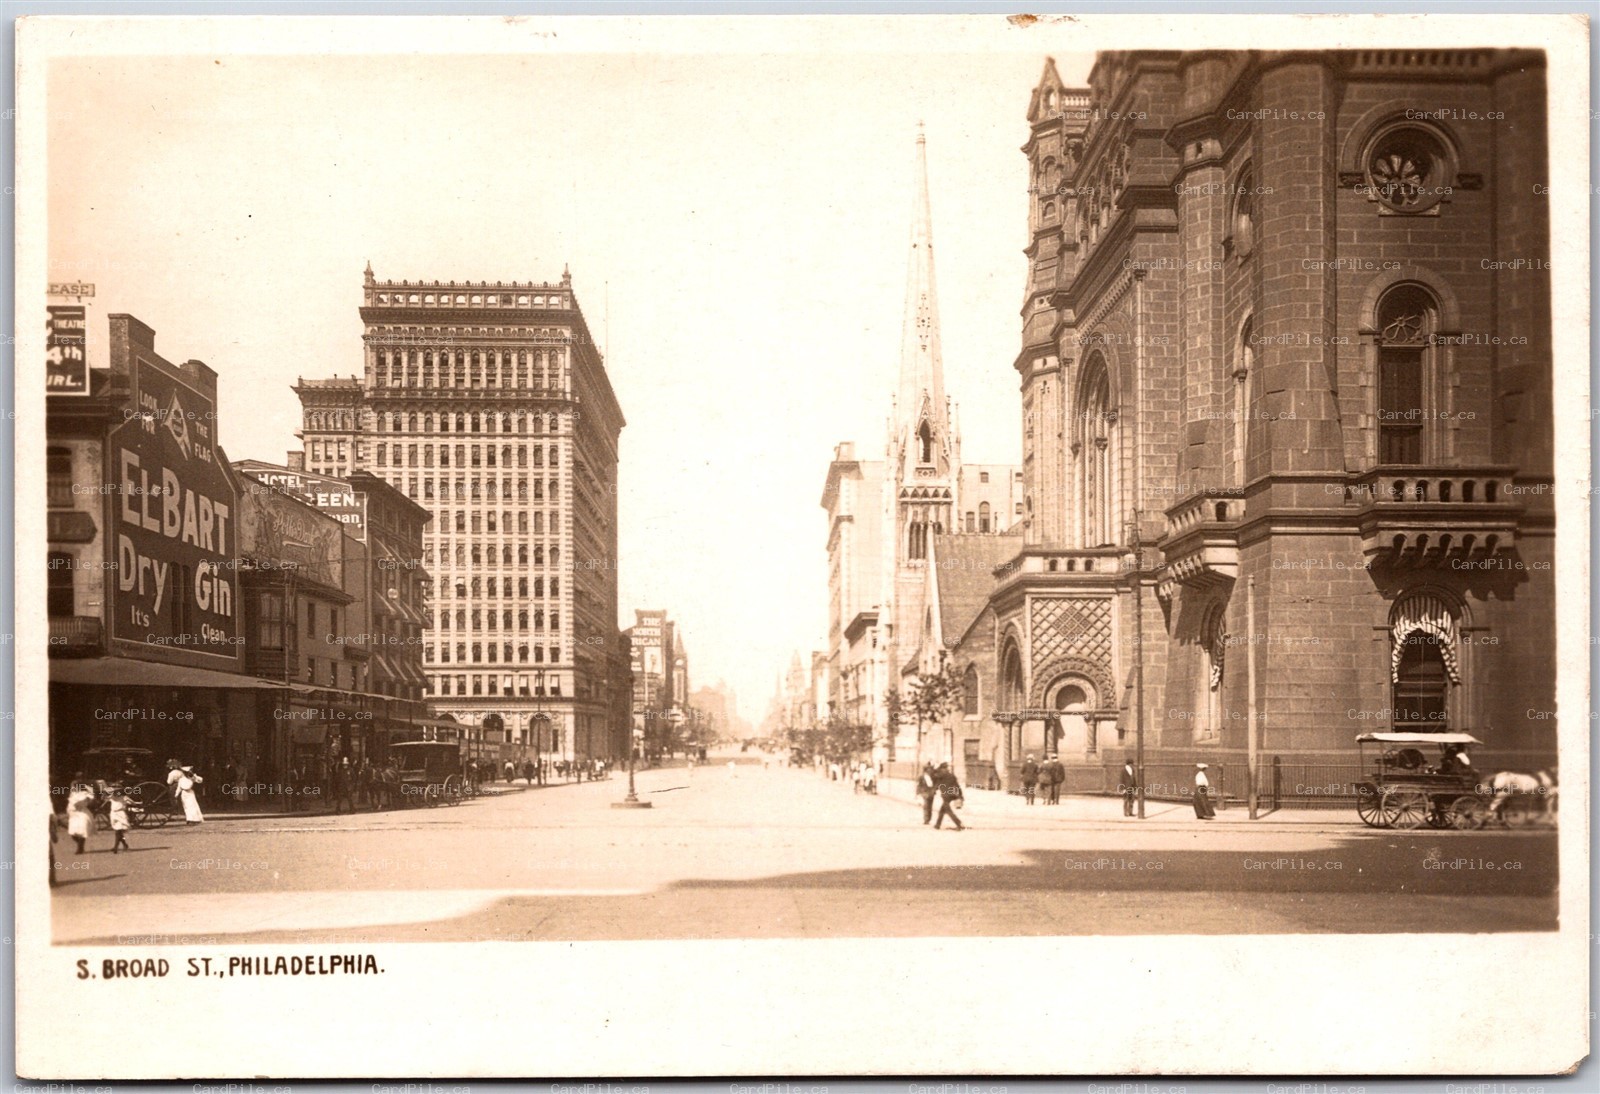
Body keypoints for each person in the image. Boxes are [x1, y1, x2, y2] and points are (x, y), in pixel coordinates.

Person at [167, 759, 205, 825]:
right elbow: (179, 787)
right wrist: (176, 794)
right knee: (187, 806)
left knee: (191, 806)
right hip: (186, 794)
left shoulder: (191, 778)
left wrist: (194, 776)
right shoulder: (182, 779)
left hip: (188, 793)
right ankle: (190, 819)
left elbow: (200, 780)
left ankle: (193, 819)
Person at [932, 762, 966, 831]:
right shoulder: (951, 775)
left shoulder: (940, 775)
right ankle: (937, 825)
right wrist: (960, 795)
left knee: (948, 810)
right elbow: (957, 786)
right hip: (952, 794)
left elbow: (936, 784)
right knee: (942, 810)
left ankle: (959, 824)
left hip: (945, 795)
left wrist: (934, 791)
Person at [65, 775, 94, 855]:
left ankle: (80, 848)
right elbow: (70, 803)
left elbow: (90, 798)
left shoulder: (84, 794)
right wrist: (68, 811)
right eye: (73, 786)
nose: (73, 787)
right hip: (74, 814)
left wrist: (87, 797)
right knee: (73, 833)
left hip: (82, 813)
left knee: (82, 830)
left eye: (75, 786)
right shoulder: (72, 794)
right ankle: (80, 845)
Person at [108, 787, 132, 853]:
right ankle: (125, 844)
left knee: (118, 831)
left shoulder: (124, 797)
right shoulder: (112, 797)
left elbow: (132, 803)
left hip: (121, 814)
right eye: (115, 792)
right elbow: (104, 798)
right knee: (118, 831)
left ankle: (116, 847)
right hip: (114, 815)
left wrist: (127, 802)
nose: (117, 793)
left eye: (118, 792)